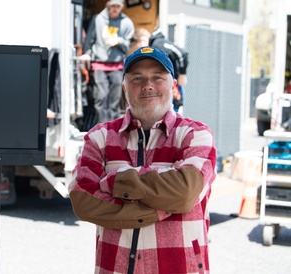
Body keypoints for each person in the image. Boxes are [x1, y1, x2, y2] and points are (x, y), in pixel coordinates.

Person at [69, 46, 217, 273]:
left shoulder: (195, 135)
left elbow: (186, 191)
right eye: (137, 78)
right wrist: (161, 208)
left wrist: (113, 181)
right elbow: (83, 200)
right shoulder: (99, 138)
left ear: (174, 86)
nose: (147, 85)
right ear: (124, 88)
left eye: (157, 77)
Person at [80, 0, 135, 123]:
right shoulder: (98, 19)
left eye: (117, 6)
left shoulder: (126, 23)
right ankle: (102, 128)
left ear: (122, 7)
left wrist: (119, 41)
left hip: (117, 65)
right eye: (112, 6)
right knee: (101, 97)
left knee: (114, 100)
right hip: (99, 63)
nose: (115, 9)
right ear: (108, 6)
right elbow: (90, 38)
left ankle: (114, 130)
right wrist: (87, 54)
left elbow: (128, 45)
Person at [148, 27, 189, 113]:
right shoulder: (157, 44)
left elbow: (182, 53)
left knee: (170, 111)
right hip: (168, 82)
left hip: (171, 82)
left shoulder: (159, 44)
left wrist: (182, 73)